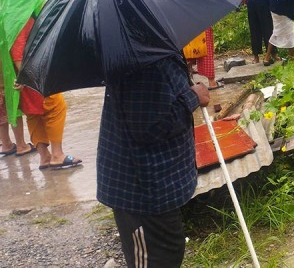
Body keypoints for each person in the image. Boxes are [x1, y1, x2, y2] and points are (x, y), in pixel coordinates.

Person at [97, 53, 210, 268]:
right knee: (155, 259)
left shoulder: (155, 47)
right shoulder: (140, 58)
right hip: (141, 190)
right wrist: (192, 97)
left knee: (170, 249)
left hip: (158, 184)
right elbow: (149, 126)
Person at [10, 18, 81, 169]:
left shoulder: (10, 17)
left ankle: (45, 157)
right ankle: (57, 155)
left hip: (19, 79)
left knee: (34, 114)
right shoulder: (21, 18)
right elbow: (18, 54)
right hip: (32, 76)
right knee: (56, 107)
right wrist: (28, 77)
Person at [264, 0, 294, 65]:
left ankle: (267, 57)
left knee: (276, 32)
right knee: (290, 34)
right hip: (286, 12)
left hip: (274, 9)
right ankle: (291, 59)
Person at [0, 70, 32, 157]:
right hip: (6, 78)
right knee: (14, 107)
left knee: (1, 110)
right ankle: (21, 145)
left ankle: (6, 144)